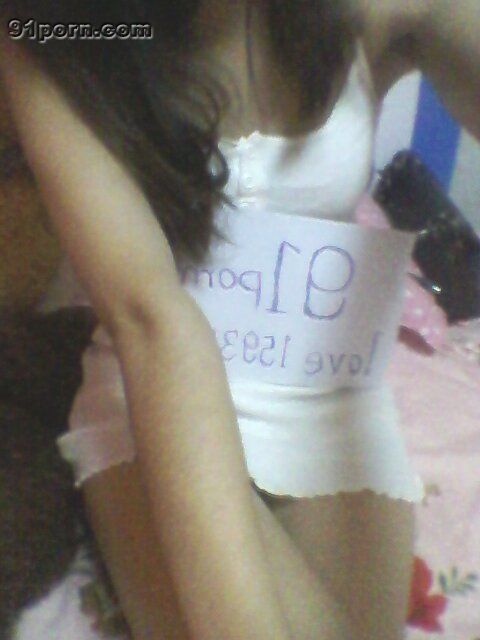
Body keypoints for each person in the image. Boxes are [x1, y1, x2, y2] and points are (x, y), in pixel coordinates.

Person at [0, 2, 479, 639]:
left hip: (324, 385)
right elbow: (149, 317)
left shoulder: (379, 12)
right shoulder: (62, 29)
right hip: (147, 385)